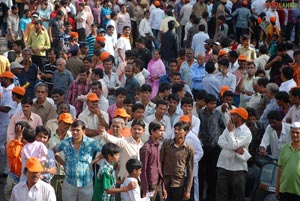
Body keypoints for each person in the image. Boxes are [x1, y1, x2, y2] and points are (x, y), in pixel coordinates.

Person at [53, 120, 104, 201]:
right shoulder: (65, 142)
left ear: (83, 131)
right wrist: (63, 163)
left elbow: (105, 151)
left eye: (78, 130)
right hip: (69, 183)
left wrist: (93, 161)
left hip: (86, 183)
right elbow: (53, 151)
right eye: (73, 130)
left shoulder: (91, 142)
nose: (75, 132)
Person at [216, 107, 252, 201]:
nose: (231, 117)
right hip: (223, 165)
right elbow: (220, 141)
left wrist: (231, 133)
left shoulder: (246, 132)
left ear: (240, 118)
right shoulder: (229, 127)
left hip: (238, 168)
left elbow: (234, 144)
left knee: (237, 196)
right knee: (221, 195)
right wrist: (234, 148)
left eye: (234, 115)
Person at [160, 121, 194, 201]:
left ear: (186, 132)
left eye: (179, 130)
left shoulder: (189, 149)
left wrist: (188, 190)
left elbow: (190, 170)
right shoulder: (166, 144)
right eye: (175, 129)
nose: (176, 131)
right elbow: (160, 162)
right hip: (165, 182)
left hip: (179, 184)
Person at [140, 121, 167, 200]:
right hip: (150, 184)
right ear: (152, 131)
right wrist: (145, 190)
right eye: (160, 130)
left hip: (158, 183)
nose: (162, 133)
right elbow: (143, 169)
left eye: (163, 131)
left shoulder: (158, 145)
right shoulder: (146, 148)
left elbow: (159, 167)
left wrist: (163, 187)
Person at [276, 122, 300, 201]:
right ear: (290, 133)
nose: (295, 135)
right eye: (293, 132)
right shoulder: (284, 148)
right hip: (284, 190)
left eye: (297, 133)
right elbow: (280, 169)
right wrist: (277, 188)